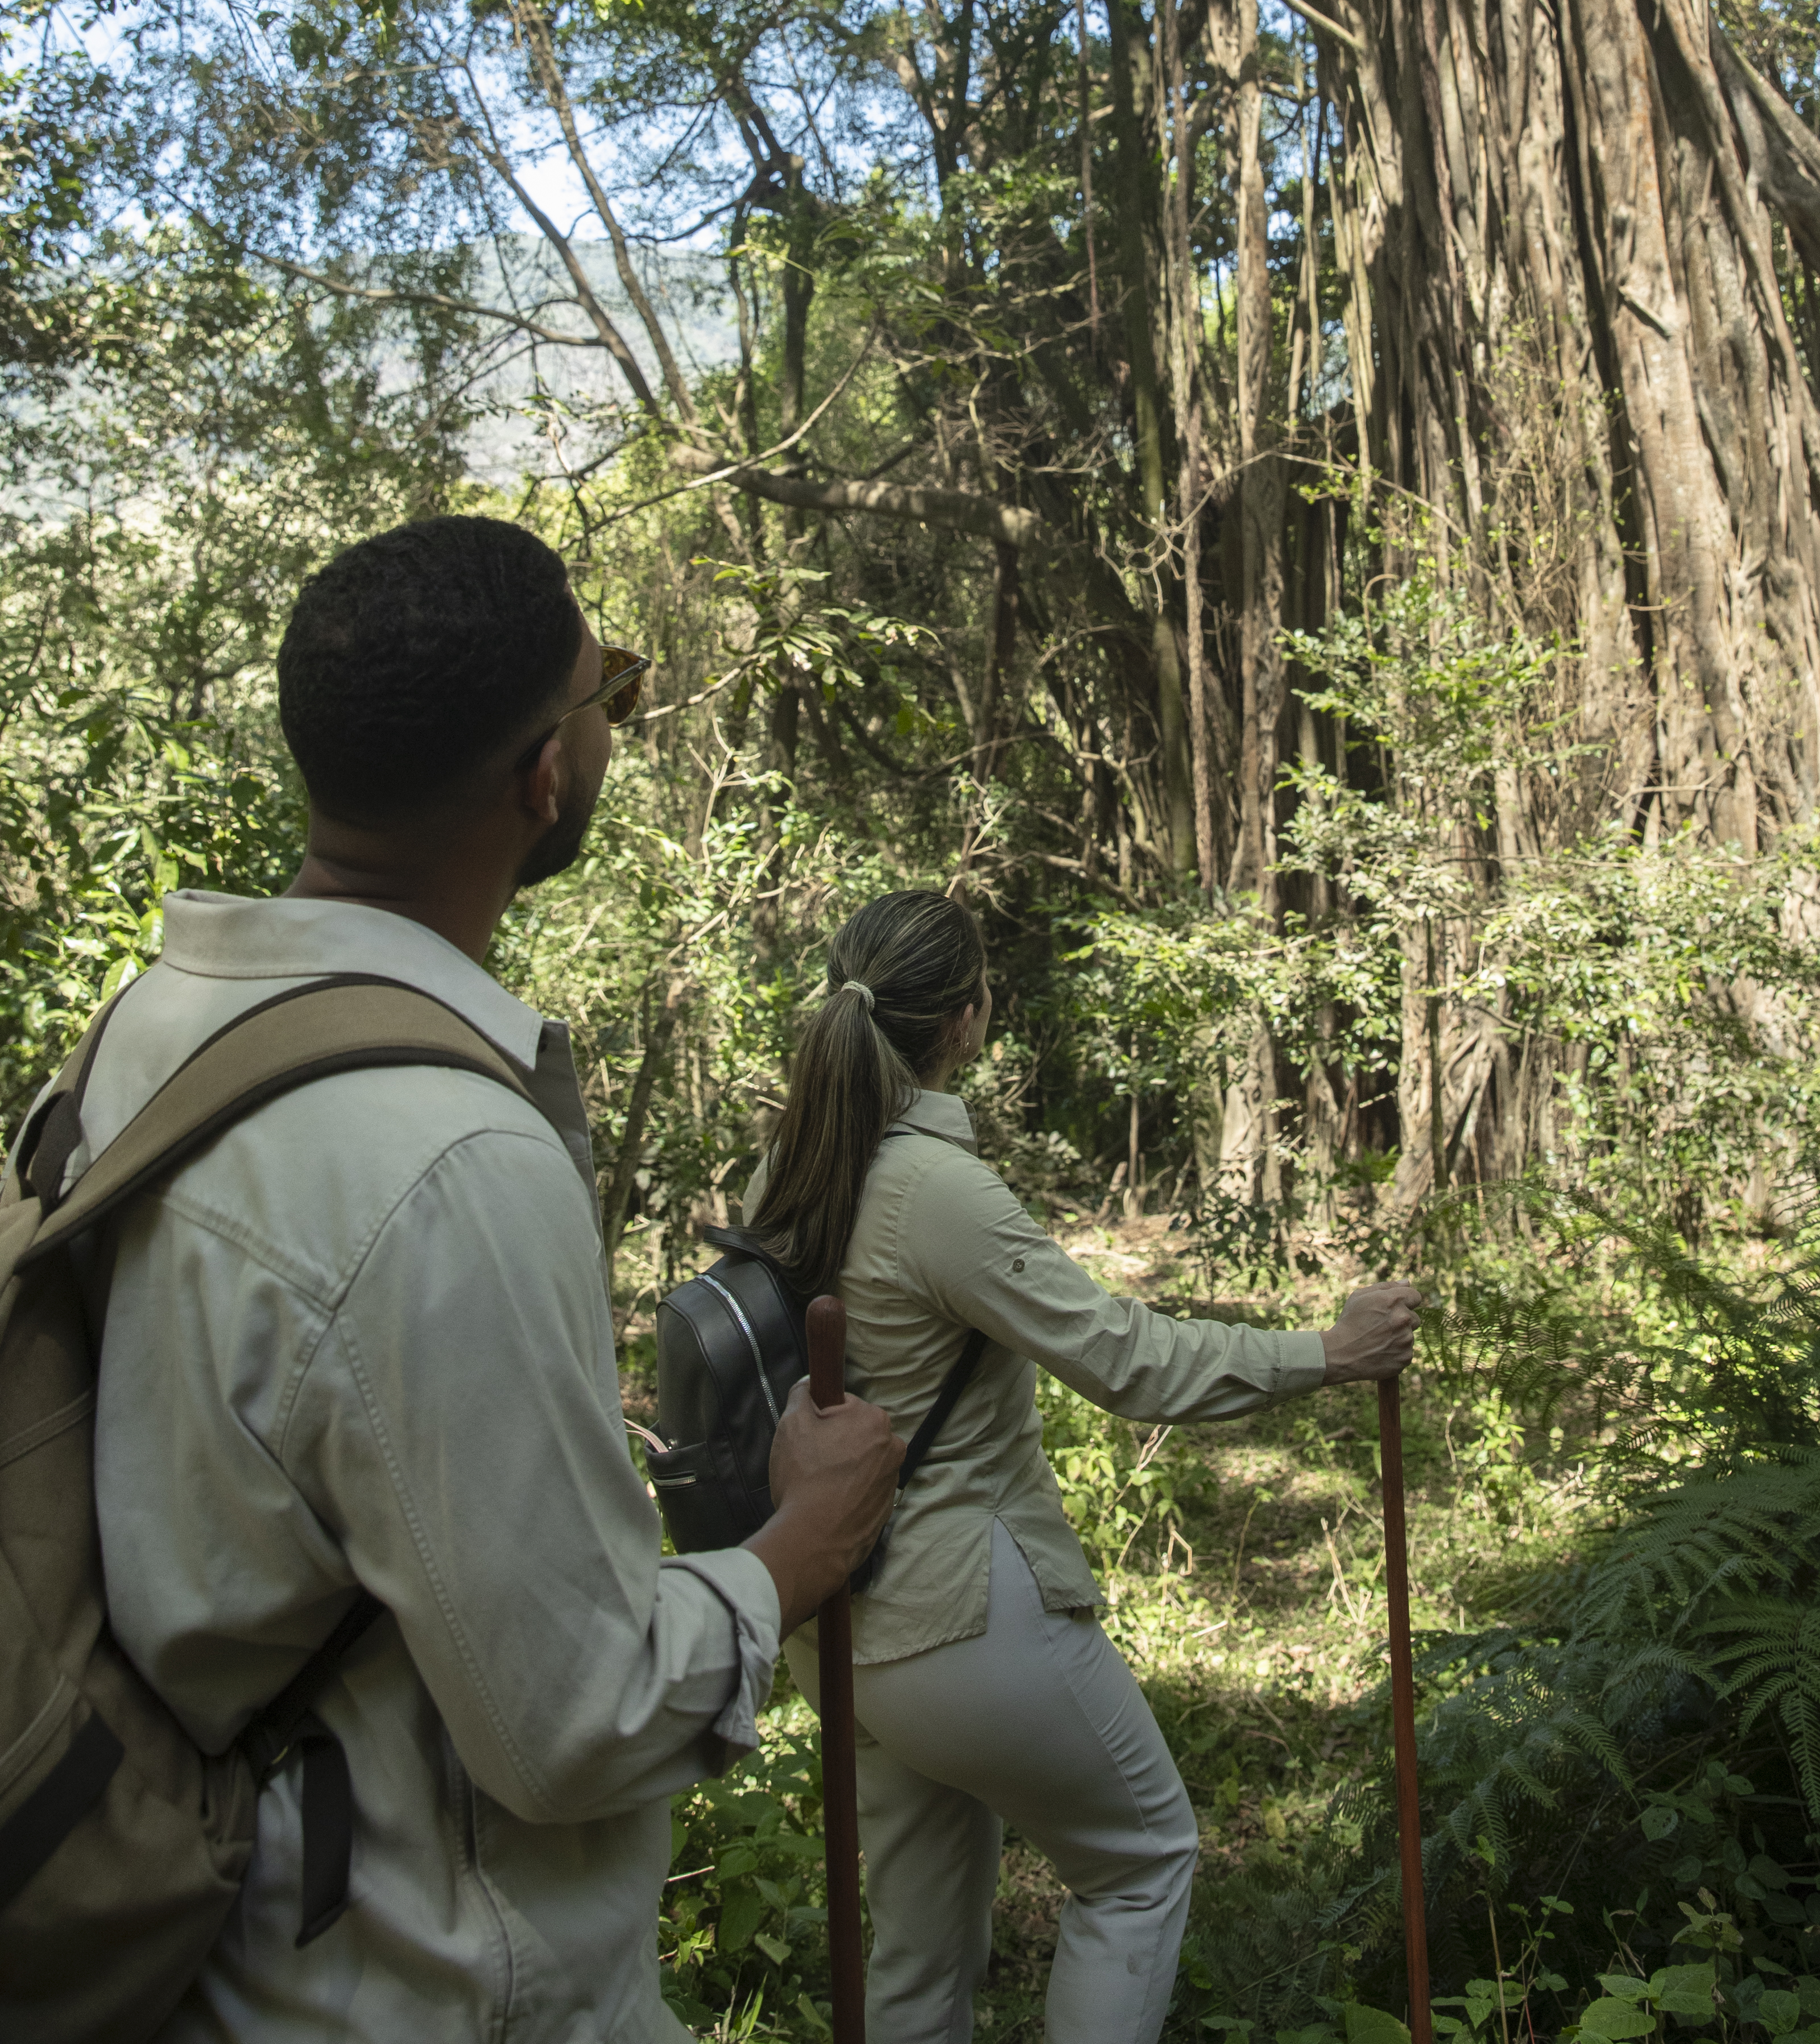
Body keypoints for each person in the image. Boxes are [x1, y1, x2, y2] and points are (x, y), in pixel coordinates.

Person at [38, 515, 902, 2041]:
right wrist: (794, 1551)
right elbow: (570, 1723)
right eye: (608, 694)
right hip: (424, 1981)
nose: (613, 719)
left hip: (196, 1929)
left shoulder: (147, 1034)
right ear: (544, 776)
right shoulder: (449, 1165)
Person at [745, 888, 1422, 2044]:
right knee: (1144, 1860)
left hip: (841, 1627)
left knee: (915, 1962)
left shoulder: (795, 1163)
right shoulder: (934, 1192)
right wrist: (1330, 1352)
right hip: (959, 1618)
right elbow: (1128, 1361)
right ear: (969, 1020)